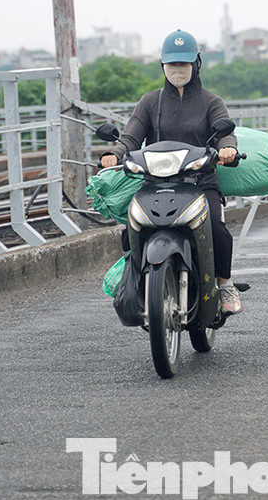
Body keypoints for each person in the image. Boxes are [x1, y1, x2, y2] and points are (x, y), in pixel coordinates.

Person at [99, 30, 243, 314]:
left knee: (216, 227)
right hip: (156, 182)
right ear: (163, 66)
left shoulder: (211, 101)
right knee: (132, 228)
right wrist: (114, 153)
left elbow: (225, 132)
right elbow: (130, 137)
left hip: (200, 181)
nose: (178, 70)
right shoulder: (150, 102)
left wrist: (228, 149)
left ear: (196, 64)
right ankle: (137, 279)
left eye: (184, 64)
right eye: (172, 65)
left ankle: (224, 283)